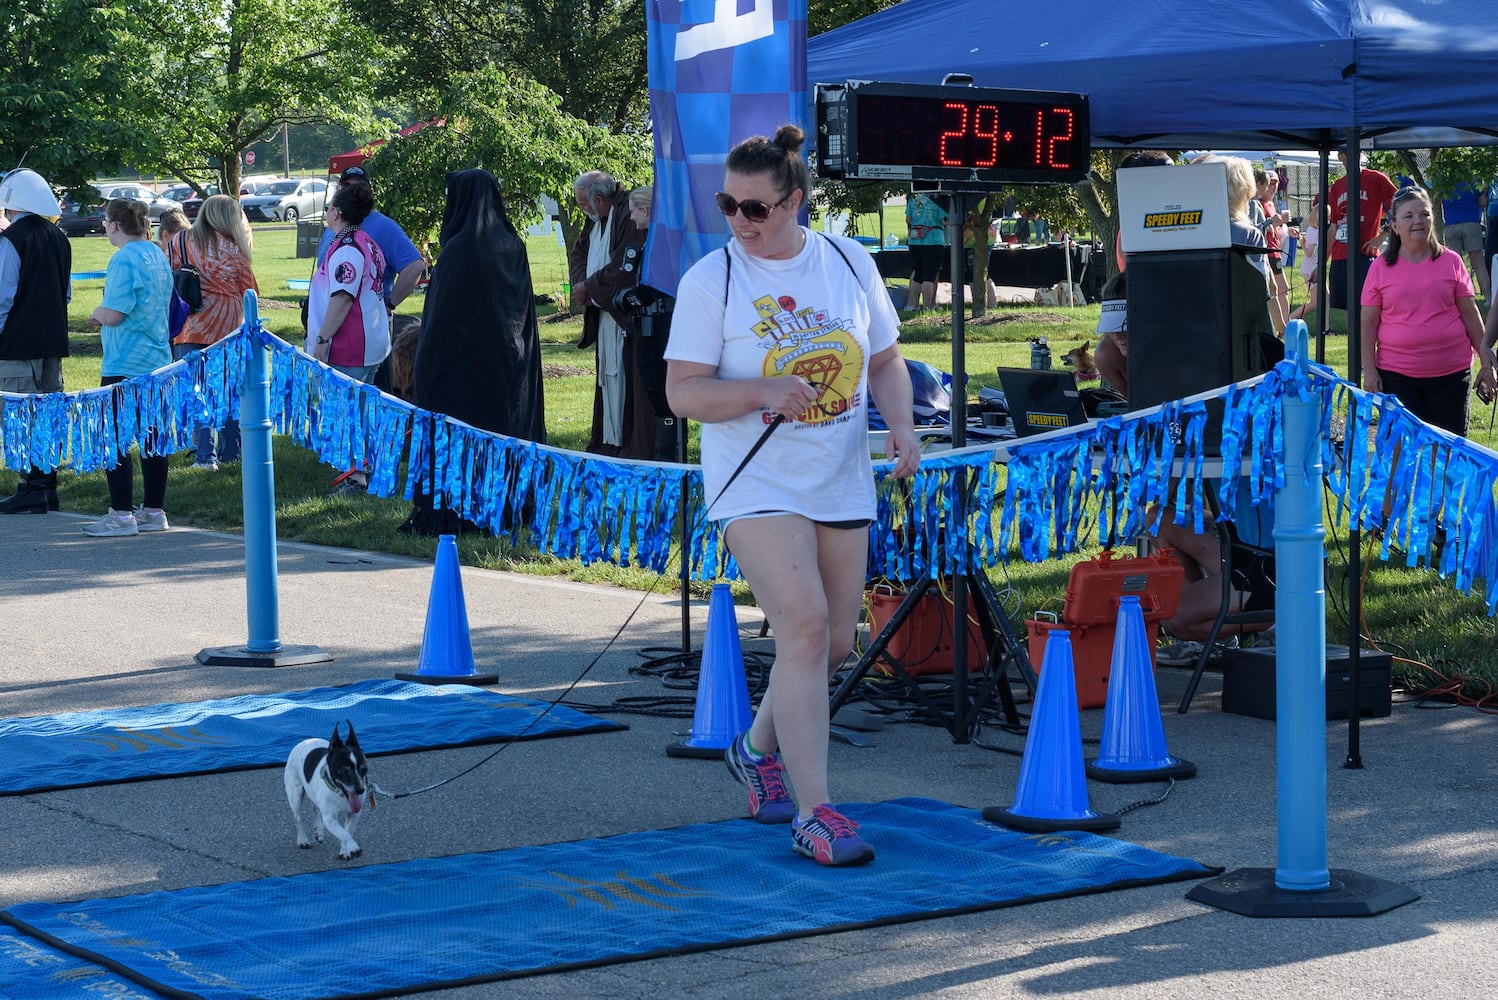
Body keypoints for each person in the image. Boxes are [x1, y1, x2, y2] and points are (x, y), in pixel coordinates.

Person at [664, 125, 921, 867]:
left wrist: (901, 424)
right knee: (804, 630)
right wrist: (760, 390)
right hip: (757, 481)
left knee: (836, 642)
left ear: (795, 202)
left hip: (838, 476)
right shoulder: (712, 279)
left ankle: (754, 748)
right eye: (729, 205)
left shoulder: (847, 259)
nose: (740, 221)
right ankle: (817, 813)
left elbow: (885, 360)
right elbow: (682, 395)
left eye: (757, 208)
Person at [402, 169, 546, 535]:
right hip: (507, 368)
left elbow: (439, 322)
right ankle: (507, 504)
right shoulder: (512, 245)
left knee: (461, 438)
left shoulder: (457, 251)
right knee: (501, 435)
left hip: (460, 371)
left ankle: (457, 507)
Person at [1362, 186, 1495, 436]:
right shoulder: (1379, 268)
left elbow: (1469, 313)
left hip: (1451, 374)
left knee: (1443, 458)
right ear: (1393, 225)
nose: (1417, 221)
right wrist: (1369, 371)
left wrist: (1486, 360)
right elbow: (1368, 322)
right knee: (1400, 456)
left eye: (1424, 214)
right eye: (1409, 216)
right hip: (1397, 376)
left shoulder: (1452, 261)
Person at [82, 198, 174, 537]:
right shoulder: (157, 254)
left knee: (115, 438)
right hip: (158, 359)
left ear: (115, 225)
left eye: (106, 222)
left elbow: (116, 311)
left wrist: (97, 313)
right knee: (152, 438)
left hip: (125, 361)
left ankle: (121, 514)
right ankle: (153, 509)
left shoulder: (122, 259)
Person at [308, 182, 390, 494]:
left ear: (337, 213)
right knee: (359, 409)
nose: (326, 212)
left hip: (351, 345)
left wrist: (322, 338)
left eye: (329, 207)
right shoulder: (364, 242)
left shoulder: (349, 249)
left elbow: (342, 298)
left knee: (349, 412)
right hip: (369, 342)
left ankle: (357, 477)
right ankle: (364, 470)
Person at [0, 168, 71, 514]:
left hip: (16, 344)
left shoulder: (12, 240)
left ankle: (31, 485)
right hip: (52, 342)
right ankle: (47, 484)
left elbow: (3, 298)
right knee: (48, 412)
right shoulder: (61, 238)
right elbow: (66, 293)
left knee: (20, 414)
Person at [569, 169, 653, 459]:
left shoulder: (626, 214)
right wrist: (582, 284)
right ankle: (608, 441)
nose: (583, 210)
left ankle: (627, 443)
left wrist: (589, 288)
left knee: (626, 381)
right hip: (602, 314)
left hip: (622, 319)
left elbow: (624, 266)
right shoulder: (596, 219)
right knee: (608, 379)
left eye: (584, 204)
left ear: (601, 200)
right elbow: (579, 252)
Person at [169, 194, 258, 470]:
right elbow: (251, 291)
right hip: (228, 331)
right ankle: (232, 451)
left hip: (189, 326)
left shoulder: (180, 241)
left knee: (198, 394)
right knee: (229, 393)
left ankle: (204, 456)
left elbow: (169, 275)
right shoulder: (236, 250)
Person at [1096, 150, 1172, 394]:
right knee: (1106, 352)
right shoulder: (1133, 228)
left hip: (1172, 320)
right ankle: (1139, 411)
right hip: (1148, 318)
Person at [314, 166, 426, 318]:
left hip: (363, 326)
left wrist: (388, 305)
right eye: (346, 186)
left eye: (358, 187)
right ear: (338, 189)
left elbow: (415, 266)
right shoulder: (334, 224)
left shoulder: (384, 227)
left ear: (370, 193)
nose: (351, 192)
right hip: (325, 320)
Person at [1326, 151, 1397, 325]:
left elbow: (1402, 204)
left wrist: (1384, 234)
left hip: (1364, 256)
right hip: (1340, 258)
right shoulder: (1337, 186)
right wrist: (1320, 264)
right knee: (1349, 312)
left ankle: (1372, 350)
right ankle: (1355, 351)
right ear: (1340, 156)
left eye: (1356, 150)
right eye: (1346, 151)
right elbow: (1333, 226)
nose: (1352, 154)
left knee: (1370, 310)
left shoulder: (1375, 179)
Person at [1440, 181, 1489, 302]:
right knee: (1479, 265)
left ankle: (1460, 299)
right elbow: (1483, 201)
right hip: (1471, 223)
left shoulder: (1441, 181)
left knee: (1455, 266)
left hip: (1450, 225)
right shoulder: (1471, 179)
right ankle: (1488, 299)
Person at [903, 191, 946, 310]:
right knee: (929, 276)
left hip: (914, 240)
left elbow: (908, 219)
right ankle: (928, 307)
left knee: (918, 273)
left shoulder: (914, 198)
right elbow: (944, 220)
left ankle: (913, 305)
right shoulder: (938, 199)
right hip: (934, 240)